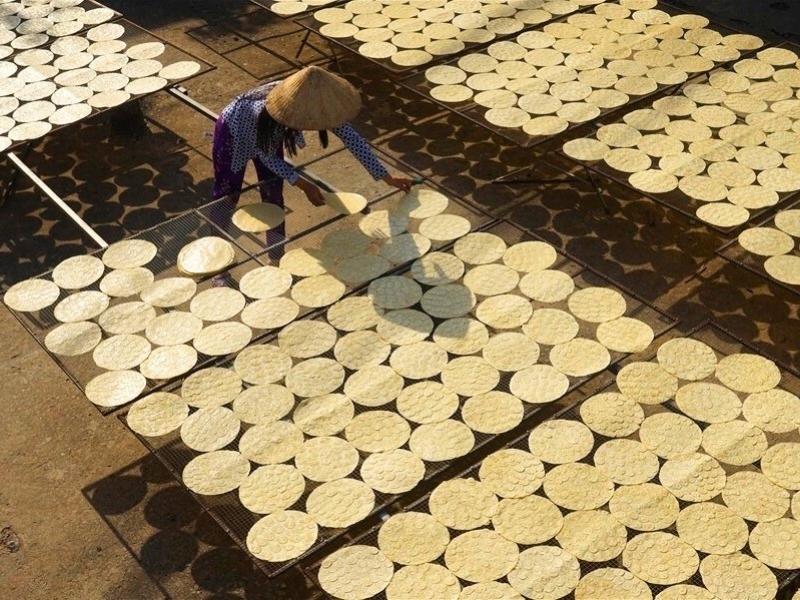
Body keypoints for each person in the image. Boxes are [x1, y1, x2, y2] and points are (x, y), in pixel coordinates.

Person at [209, 66, 414, 249]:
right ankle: (216, 253)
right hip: (234, 133)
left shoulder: (324, 106)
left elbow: (354, 141)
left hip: (267, 140)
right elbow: (268, 158)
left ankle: (276, 253)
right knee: (228, 194)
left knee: (273, 195)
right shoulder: (274, 110)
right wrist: (304, 185)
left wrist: (388, 178)